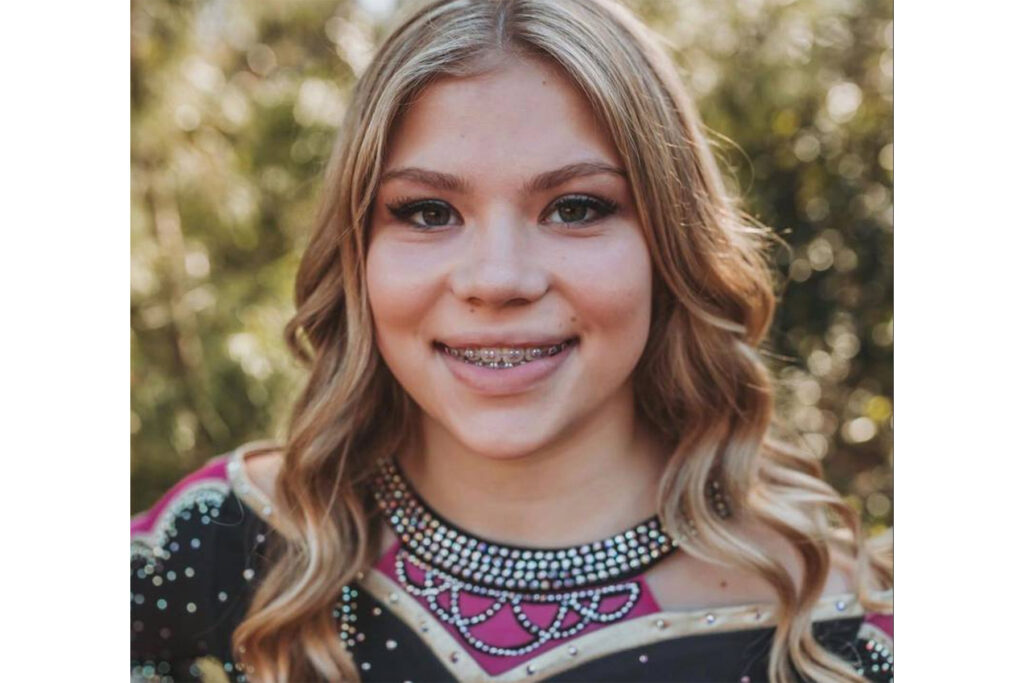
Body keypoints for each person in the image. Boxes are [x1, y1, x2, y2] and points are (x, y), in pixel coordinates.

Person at [130, 0, 894, 681]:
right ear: (356, 251)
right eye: (428, 211)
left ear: (671, 244)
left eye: (575, 207)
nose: (497, 279)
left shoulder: (829, 628)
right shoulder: (219, 544)